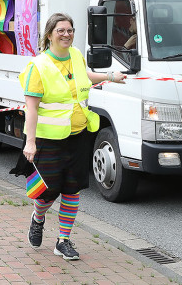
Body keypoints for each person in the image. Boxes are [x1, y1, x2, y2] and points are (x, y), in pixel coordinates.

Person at [18, 13, 126, 260]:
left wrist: (110, 76)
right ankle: (38, 218)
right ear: (49, 35)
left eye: (70, 30)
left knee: (72, 190)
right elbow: (31, 108)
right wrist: (31, 142)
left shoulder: (76, 55)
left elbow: (84, 76)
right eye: (61, 30)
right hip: (48, 140)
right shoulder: (39, 66)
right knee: (48, 193)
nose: (66, 34)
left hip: (77, 135)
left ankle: (63, 241)